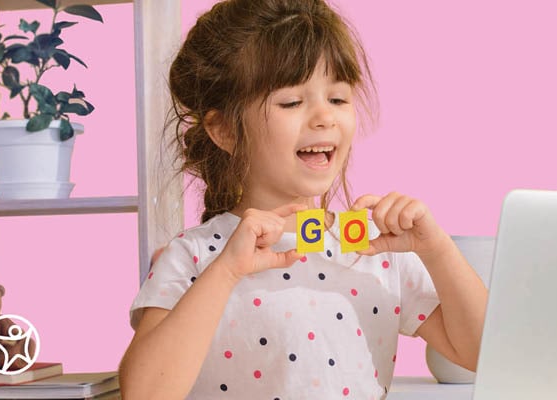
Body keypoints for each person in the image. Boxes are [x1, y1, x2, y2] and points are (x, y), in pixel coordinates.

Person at [118, 0, 488, 398]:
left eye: (338, 99)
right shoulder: (197, 257)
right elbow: (143, 393)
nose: (323, 118)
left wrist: (437, 250)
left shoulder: (373, 248)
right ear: (224, 130)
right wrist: (225, 273)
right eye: (292, 102)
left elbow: (484, 355)